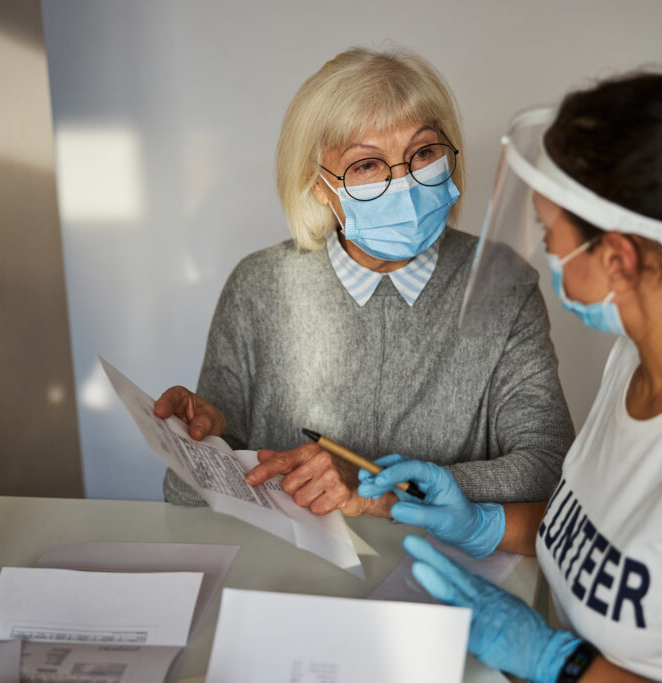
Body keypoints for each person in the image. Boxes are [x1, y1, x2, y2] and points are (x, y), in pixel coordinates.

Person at [358, 72, 662, 682]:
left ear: (619, 257)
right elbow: (606, 536)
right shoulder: (637, 361)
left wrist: (556, 662)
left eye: (551, 236)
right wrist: (484, 524)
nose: (544, 252)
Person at [153, 47, 574, 517]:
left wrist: (378, 488)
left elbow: (548, 467)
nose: (407, 182)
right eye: (367, 165)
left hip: (443, 569)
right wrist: (199, 442)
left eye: (424, 152)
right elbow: (188, 495)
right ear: (318, 185)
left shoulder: (503, 282)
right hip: (293, 575)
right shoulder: (258, 286)